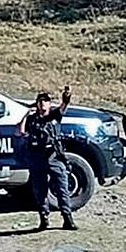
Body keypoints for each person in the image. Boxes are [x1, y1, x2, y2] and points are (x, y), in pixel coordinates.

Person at [18, 86, 77, 231]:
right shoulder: (32, 119)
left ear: (50, 104)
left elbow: (63, 107)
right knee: (40, 190)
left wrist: (66, 98)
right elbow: (20, 131)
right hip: (37, 157)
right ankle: (44, 218)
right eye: (40, 101)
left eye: (45, 101)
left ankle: (67, 218)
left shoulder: (54, 116)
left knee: (62, 188)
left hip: (54, 156)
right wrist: (26, 115)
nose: (43, 104)